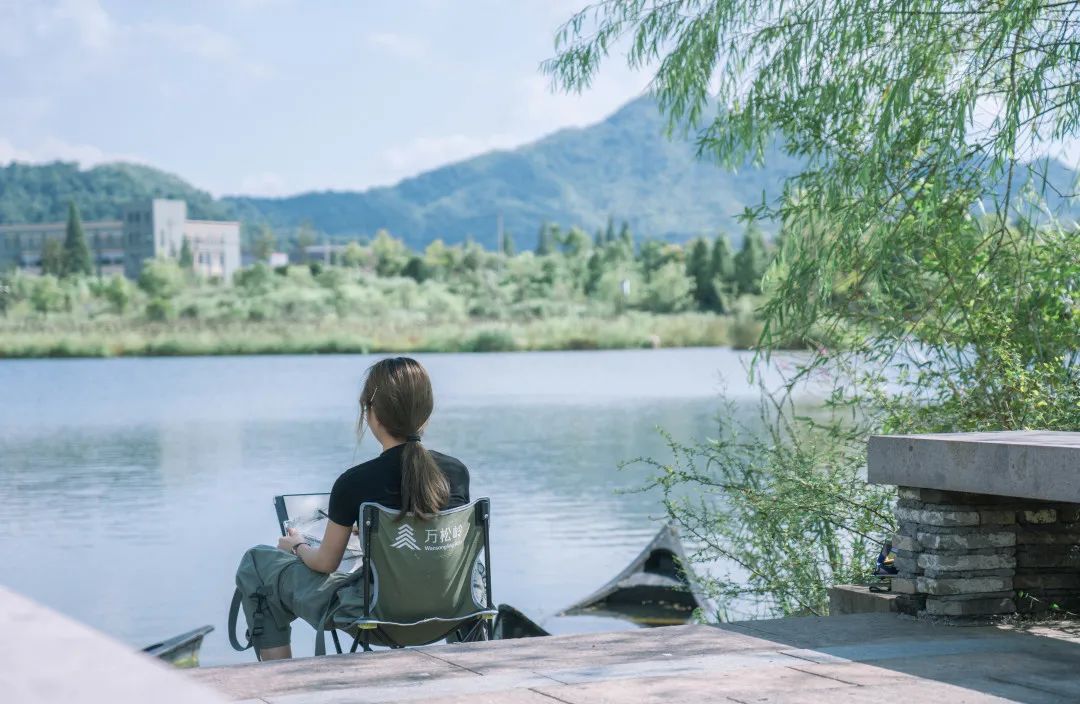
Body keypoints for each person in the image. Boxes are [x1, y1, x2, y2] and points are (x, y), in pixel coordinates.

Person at [233, 356, 470, 660]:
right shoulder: (456, 473)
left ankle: (279, 677)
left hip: (375, 617)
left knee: (257, 562)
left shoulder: (354, 482)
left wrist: (298, 546)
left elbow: (325, 564)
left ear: (372, 414)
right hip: (452, 609)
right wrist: (373, 534)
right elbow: (435, 539)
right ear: (426, 412)